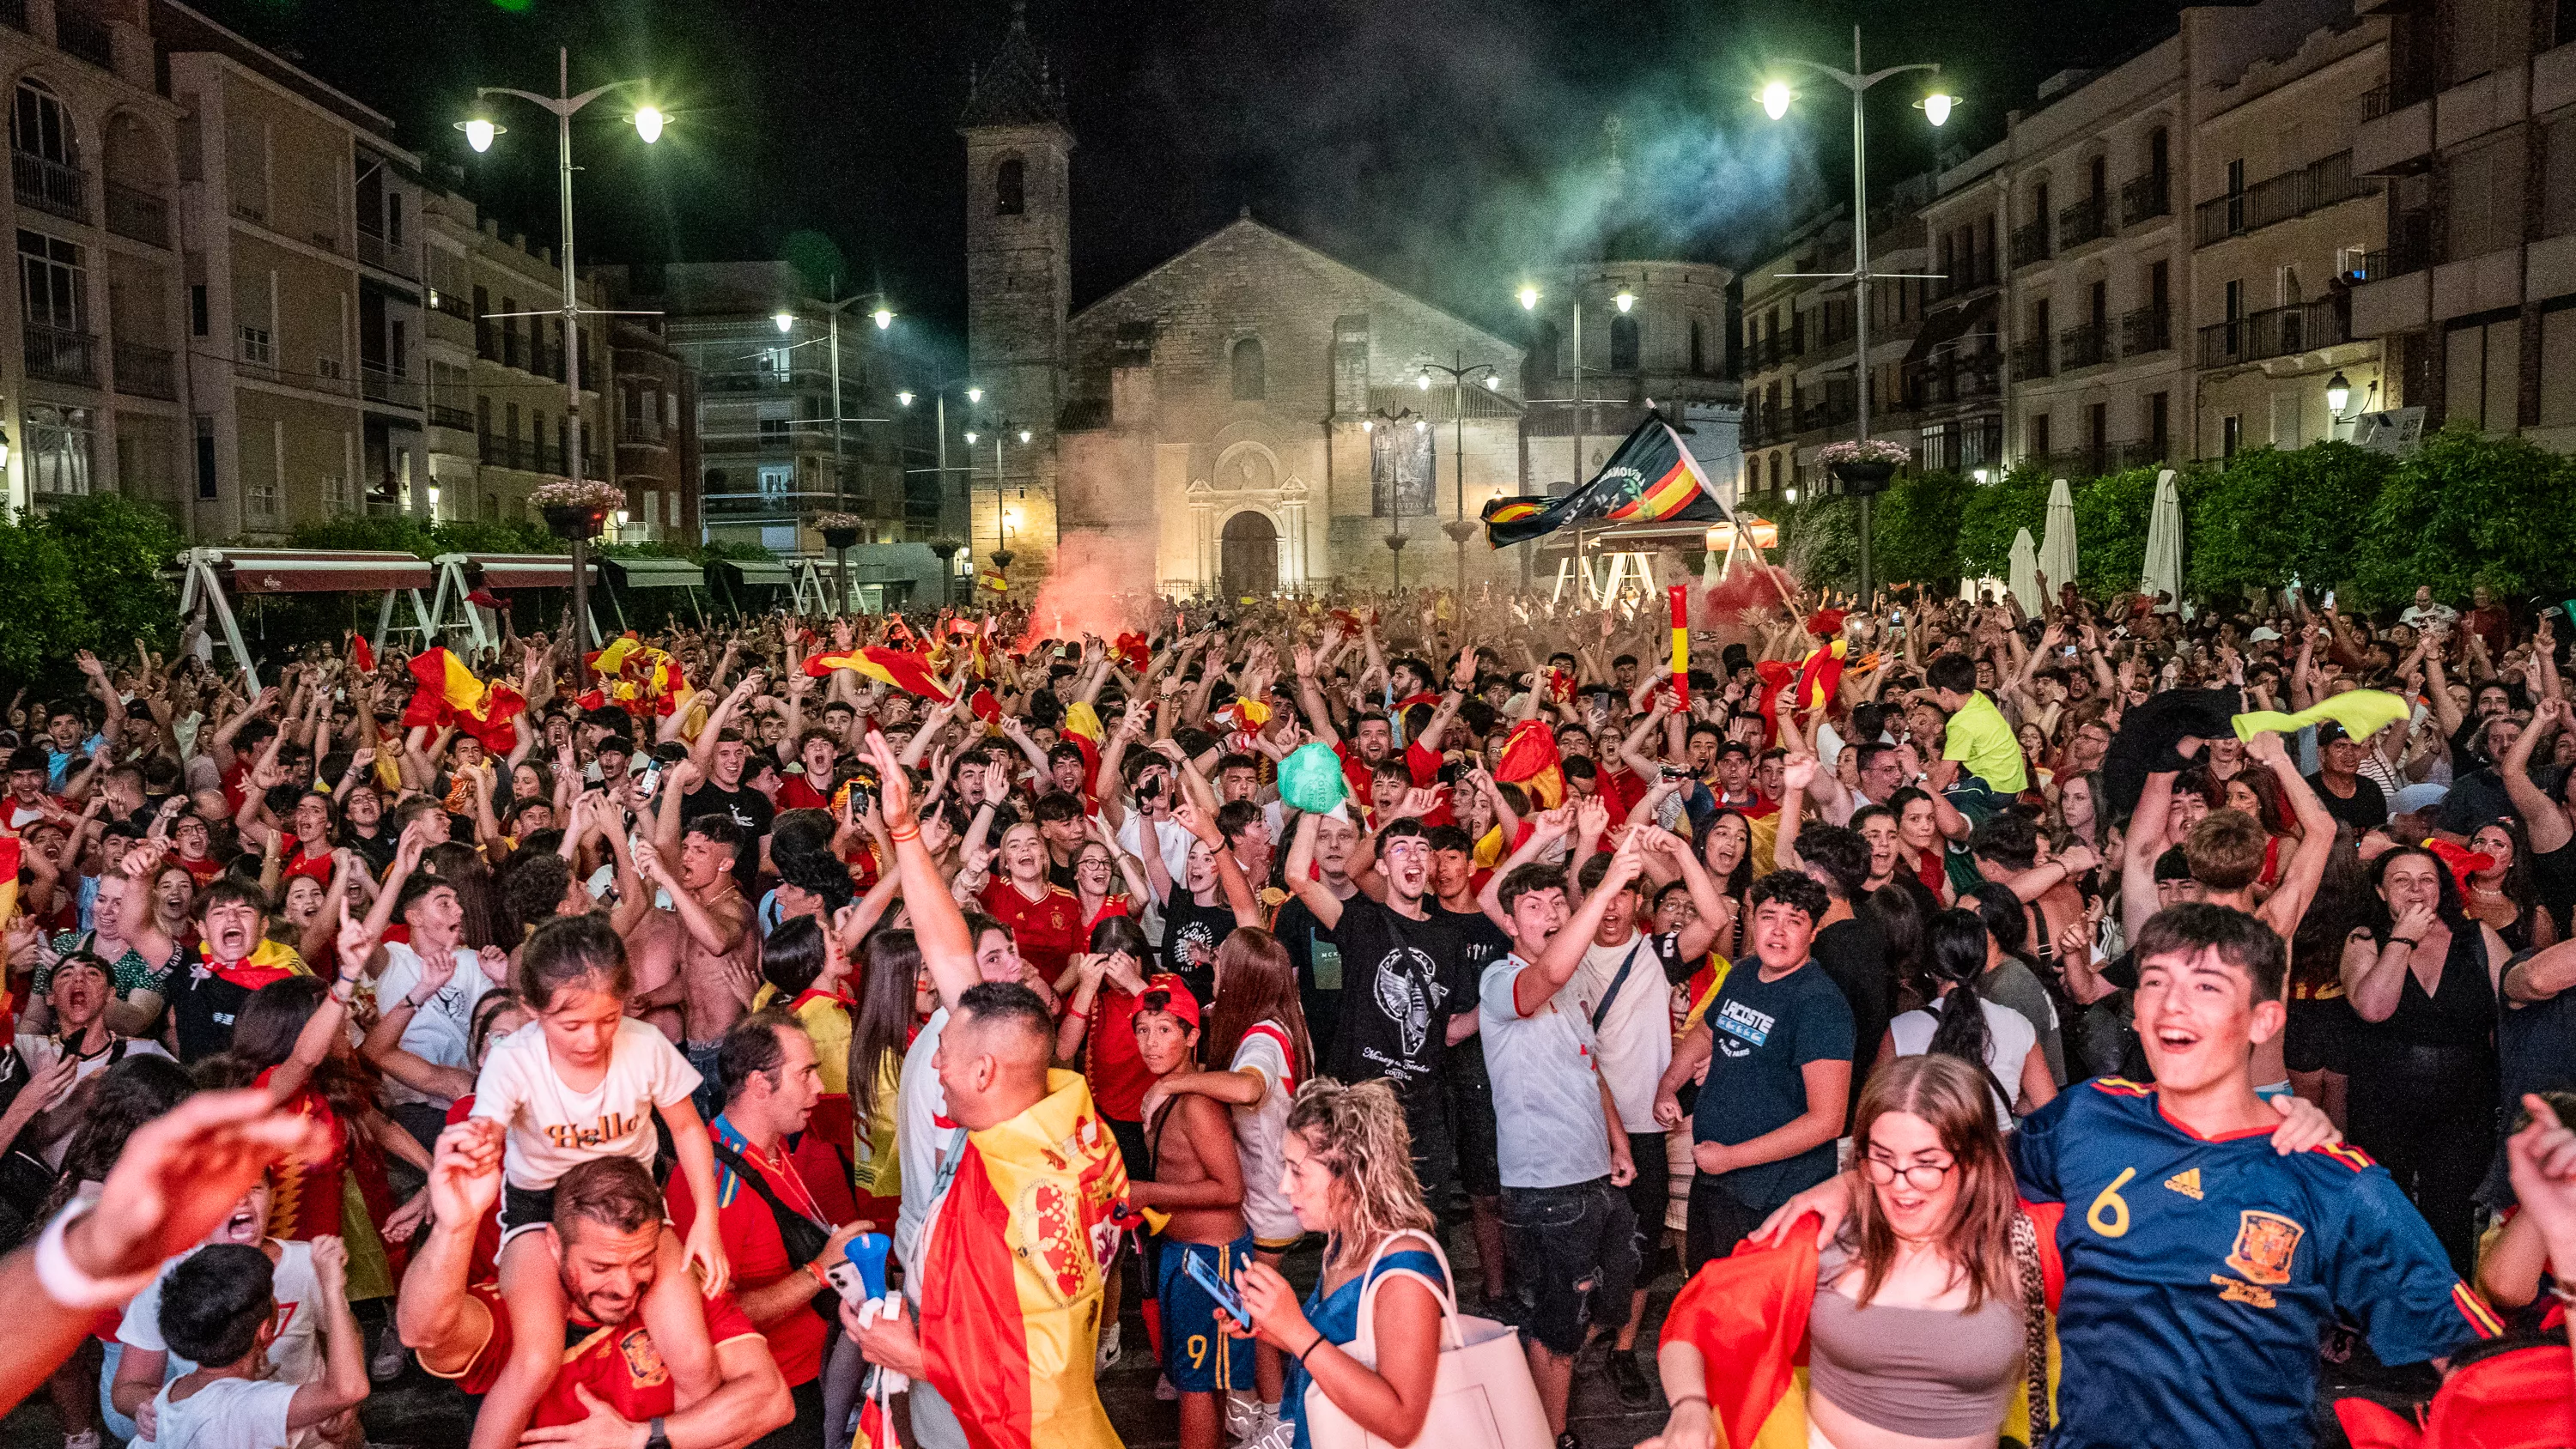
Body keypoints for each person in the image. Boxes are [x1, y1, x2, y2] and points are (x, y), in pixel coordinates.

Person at [1760, 904, 2498, 1449]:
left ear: (2265, 1021)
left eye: (2207, 987)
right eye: (2153, 983)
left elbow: (2473, 1365)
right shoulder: (2089, 1118)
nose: (2173, 1003)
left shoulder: (2333, 1181)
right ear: (2134, 1011)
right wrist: (1850, 1184)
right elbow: (1965, 1172)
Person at [1648, 1054, 2050, 1449]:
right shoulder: (1822, 1236)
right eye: (1882, 1159)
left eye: (1926, 1163)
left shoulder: (2029, 1244)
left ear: (1974, 1160)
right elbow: (1699, 1314)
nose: (1900, 1184)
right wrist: (1690, 1407)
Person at [465, 914, 729, 1449]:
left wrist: (706, 1219)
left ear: (627, 1004)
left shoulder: (646, 1043)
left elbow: (687, 1128)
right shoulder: (514, 1061)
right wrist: (474, 1150)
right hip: (541, 1208)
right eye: (572, 1025)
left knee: (696, 1357)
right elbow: (484, 1132)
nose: (593, 1038)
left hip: (631, 1203)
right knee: (535, 1360)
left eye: (607, 1019)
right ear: (533, 1012)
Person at [396, 1125, 794, 1449]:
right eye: (601, 1266)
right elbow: (423, 1330)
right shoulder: (517, 1312)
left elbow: (772, 1401)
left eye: (641, 1261)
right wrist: (455, 1228)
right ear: (554, 1244)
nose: (624, 1286)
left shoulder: (681, 1293)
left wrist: (641, 1438)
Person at [1479, 846, 1643, 1449]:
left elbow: (1589, 1069)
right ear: (1511, 922)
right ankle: (1548, 1438)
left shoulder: (1573, 982)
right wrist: (1608, 887)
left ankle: (1533, 1398)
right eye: (1533, 905)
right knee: (1557, 1329)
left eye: (1557, 902)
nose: (1549, 912)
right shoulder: (1499, 979)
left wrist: (1618, 1142)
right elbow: (1541, 978)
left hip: (1594, 1175)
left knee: (1606, 1306)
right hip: (1545, 1189)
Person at [1142, 927, 1315, 1443]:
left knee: (1260, 1322)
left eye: (1221, 965)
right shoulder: (1282, 1018)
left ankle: (1278, 1422)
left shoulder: (1263, 1037)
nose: (1214, 972)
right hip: (1276, 1197)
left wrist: (1178, 1080)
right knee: (1257, 1320)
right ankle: (1264, 1412)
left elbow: (1250, 1085)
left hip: (1266, 1204)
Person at [665, 1009, 865, 1449]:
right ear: (759, 1085)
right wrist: (820, 1270)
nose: (819, 1087)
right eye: (806, 1074)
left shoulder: (771, 1148)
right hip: (768, 1402)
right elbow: (706, 1318)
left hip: (802, 1377)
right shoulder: (717, 1185)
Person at [1222, 1078, 1452, 1449]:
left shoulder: (1406, 1275)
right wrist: (1268, 1325)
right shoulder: (1343, 1244)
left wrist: (1295, 1330)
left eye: (1297, 1171)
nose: (1284, 1186)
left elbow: (1401, 1422)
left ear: (1353, 1176)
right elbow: (1343, 1351)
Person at [1655, 870, 1854, 1270]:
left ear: (1813, 932)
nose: (1778, 932)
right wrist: (1668, 1086)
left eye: (1794, 921)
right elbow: (1706, 1034)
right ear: (1751, 920)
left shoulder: (1820, 1004)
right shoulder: (1744, 973)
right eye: (1768, 916)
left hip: (1774, 1195)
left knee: (1750, 1317)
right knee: (1704, 1294)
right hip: (1716, 1178)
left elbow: (1828, 1120)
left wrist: (1731, 1158)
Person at [1284, 811, 1467, 1223]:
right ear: (1382, 866)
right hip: (1360, 1107)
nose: (1414, 857)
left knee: (1424, 1224)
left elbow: (1452, 1026)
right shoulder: (1361, 922)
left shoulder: (1448, 936)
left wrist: (1503, 1010)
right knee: (1357, 1220)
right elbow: (1297, 876)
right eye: (1400, 849)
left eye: (1423, 850)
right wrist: (1313, 810)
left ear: (1432, 866)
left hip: (1422, 1108)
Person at [2340, 845, 2511, 1272]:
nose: (2416, 889)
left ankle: (2449, 1321)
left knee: (2449, 1218)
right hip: (2385, 1102)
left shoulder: (2477, 937)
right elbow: (2374, 1008)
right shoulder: (2364, 939)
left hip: (2464, 1105)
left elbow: (2514, 1008)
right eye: (2402, 880)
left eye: (2427, 879)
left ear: (2443, 887)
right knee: (2384, 1215)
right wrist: (2402, 939)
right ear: (2381, 892)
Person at [1127, 984, 1252, 1449]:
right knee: (1198, 1381)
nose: (1151, 1042)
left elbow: (1230, 1189)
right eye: (1142, 1030)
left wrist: (1148, 1193)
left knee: (1198, 1387)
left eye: (1164, 1030)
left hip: (1211, 1258)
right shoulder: (1164, 1095)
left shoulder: (1196, 1103)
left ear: (1192, 1036)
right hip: (1184, 1256)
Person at [145, 1236, 367, 1449]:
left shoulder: (171, 1395)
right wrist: (332, 1289)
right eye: (272, 1297)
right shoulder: (248, 1405)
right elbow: (348, 1390)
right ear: (266, 1331)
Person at [1884, 908, 2055, 1128]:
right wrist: (2009, 1101)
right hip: (1996, 1157)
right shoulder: (2019, 1025)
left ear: (1931, 969)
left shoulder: (1901, 1030)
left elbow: (1878, 1107)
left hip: (1930, 1155)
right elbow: (2047, 1107)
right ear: (1981, 962)